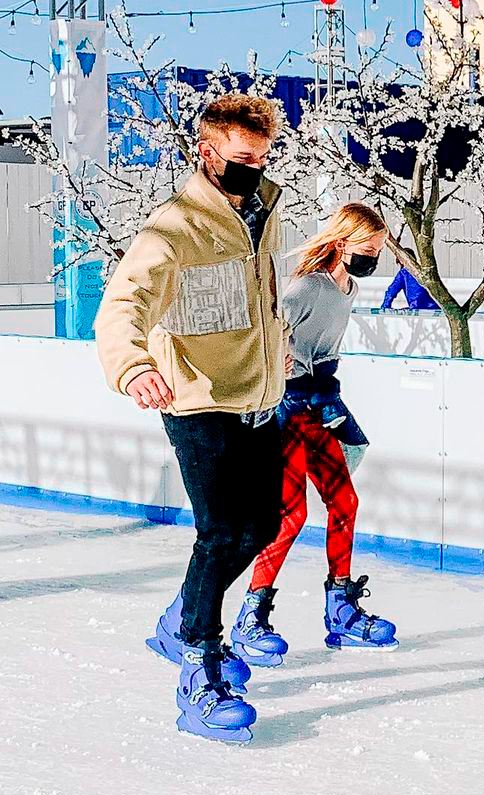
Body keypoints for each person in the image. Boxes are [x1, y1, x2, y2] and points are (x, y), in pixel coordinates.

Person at [95, 93, 289, 744]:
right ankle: (199, 669)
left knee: (262, 524)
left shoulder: (268, 214)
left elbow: (262, 298)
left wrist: (278, 343)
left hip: (258, 395)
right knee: (221, 530)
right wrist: (133, 366)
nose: (254, 169)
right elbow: (122, 306)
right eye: (241, 158)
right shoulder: (173, 226)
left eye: (262, 157)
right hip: (195, 396)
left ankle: (181, 615)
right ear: (207, 154)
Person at [231, 203, 399, 668]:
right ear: (342, 242)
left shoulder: (351, 287)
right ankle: (252, 616)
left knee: (345, 502)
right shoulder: (306, 288)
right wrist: (276, 360)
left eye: (379, 249)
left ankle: (340, 608)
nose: (374, 257)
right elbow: (265, 329)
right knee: (289, 517)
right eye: (368, 248)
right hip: (286, 407)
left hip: (320, 403)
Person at [381, 246, 439, 310]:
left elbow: (392, 290)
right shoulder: (422, 270)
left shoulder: (404, 273)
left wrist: (385, 306)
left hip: (416, 306)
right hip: (434, 305)